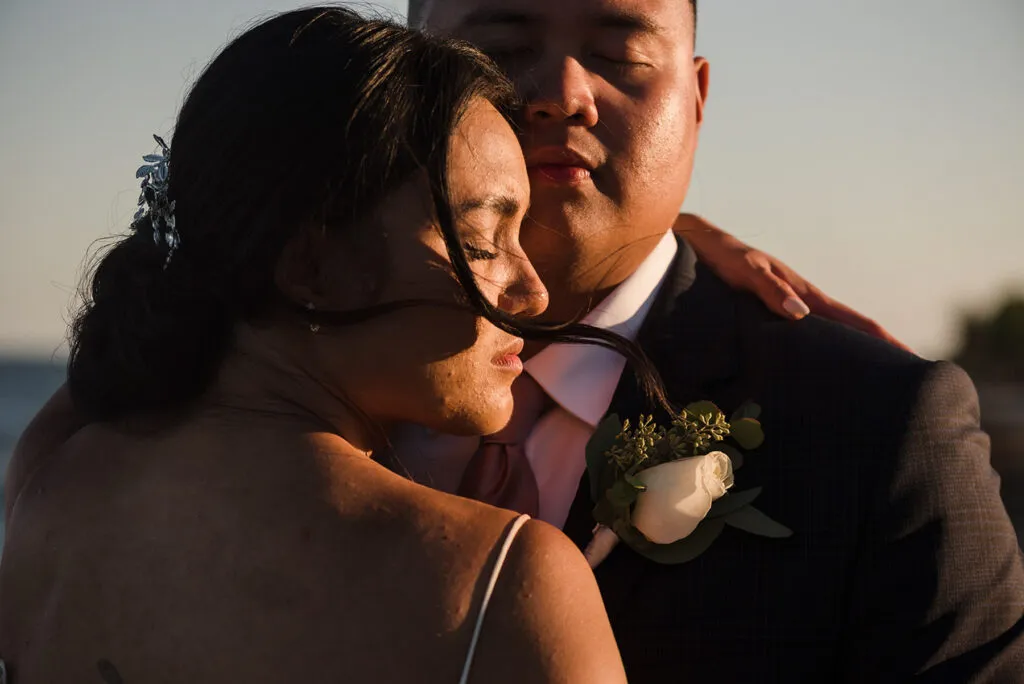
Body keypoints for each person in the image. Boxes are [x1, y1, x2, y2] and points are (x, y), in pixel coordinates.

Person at [0, 9, 639, 681]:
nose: (532, 294)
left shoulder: (52, 475)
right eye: (482, 242)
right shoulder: (503, 583)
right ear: (311, 267)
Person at [398, 0, 1024, 681]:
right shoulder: (283, 372)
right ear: (398, 81)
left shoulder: (874, 430)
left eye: (621, 55)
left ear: (696, 100)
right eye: (499, 46)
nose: (563, 96)